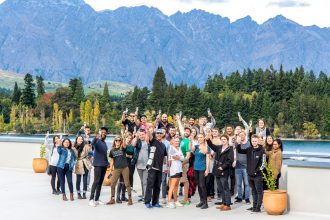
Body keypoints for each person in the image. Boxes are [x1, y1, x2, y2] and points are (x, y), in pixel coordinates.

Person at [236, 134, 266, 213]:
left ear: (258, 141)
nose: (254, 142)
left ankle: (258, 207)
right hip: (249, 174)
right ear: (251, 141)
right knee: (253, 191)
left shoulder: (262, 151)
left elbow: (263, 164)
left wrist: (256, 172)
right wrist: (238, 144)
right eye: (253, 141)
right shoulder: (249, 149)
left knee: (259, 191)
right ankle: (254, 206)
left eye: (255, 141)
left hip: (258, 175)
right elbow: (240, 151)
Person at [207, 132, 234, 211]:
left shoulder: (230, 149)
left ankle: (228, 205)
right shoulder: (219, 147)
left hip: (224, 170)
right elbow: (211, 146)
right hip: (216, 169)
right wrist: (208, 139)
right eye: (222, 139)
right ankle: (223, 203)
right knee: (220, 188)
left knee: (225, 188)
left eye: (224, 139)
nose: (223, 140)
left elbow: (230, 160)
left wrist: (222, 167)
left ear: (227, 140)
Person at [144, 128, 167, 208]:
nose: (159, 135)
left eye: (160, 133)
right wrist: (147, 128)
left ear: (163, 135)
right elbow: (149, 135)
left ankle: (155, 202)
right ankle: (147, 202)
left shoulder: (164, 145)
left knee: (157, 186)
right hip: (152, 166)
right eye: (157, 133)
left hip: (160, 168)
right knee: (150, 185)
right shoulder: (153, 141)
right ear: (155, 134)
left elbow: (164, 157)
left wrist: (165, 167)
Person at [106, 136, 133, 206]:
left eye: (119, 141)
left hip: (125, 168)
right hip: (116, 169)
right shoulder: (112, 150)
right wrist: (110, 171)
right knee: (112, 184)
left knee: (127, 184)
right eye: (116, 140)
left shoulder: (123, 148)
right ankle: (112, 199)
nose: (117, 142)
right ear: (114, 141)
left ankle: (130, 199)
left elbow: (124, 144)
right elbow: (112, 161)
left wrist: (123, 135)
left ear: (121, 141)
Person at [89, 127, 109, 207]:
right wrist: (96, 137)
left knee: (100, 183)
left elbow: (104, 154)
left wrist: (107, 162)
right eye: (102, 132)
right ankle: (91, 199)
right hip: (98, 164)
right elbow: (92, 143)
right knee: (96, 181)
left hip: (104, 164)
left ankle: (97, 199)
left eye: (105, 132)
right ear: (100, 132)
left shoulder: (104, 143)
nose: (103, 133)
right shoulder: (97, 141)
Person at [189, 134, 210, 209]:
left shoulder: (207, 147)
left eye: (201, 137)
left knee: (202, 185)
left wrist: (207, 169)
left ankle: (205, 203)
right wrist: (191, 140)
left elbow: (208, 158)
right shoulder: (196, 146)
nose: (200, 138)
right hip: (196, 168)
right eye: (198, 137)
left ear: (204, 138)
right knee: (199, 185)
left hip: (202, 168)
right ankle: (201, 201)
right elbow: (190, 148)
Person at [176, 114, 192, 206]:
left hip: (184, 164)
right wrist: (179, 120)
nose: (185, 132)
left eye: (187, 131)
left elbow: (188, 156)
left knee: (185, 180)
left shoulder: (188, 142)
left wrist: (182, 164)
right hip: (179, 162)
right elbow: (181, 128)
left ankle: (186, 199)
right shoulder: (182, 139)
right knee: (180, 180)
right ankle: (183, 198)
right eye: (185, 131)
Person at [131, 129, 150, 202]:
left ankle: (146, 197)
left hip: (146, 165)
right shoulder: (138, 142)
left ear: (145, 134)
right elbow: (133, 144)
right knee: (142, 181)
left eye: (143, 134)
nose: (142, 136)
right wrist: (136, 136)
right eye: (140, 135)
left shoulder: (148, 142)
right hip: (138, 164)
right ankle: (143, 195)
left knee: (145, 181)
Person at [116, 132, 135, 203]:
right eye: (128, 138)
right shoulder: (122, 145)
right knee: (121, 181)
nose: (129, 139)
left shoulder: (131, 146)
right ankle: (117, 197)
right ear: (125, 138)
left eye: (130, 138)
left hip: (129, 164)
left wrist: (128, 155)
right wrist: (127, 155)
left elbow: (132, 155)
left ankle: (123, 196)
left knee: (126, 181)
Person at [166, 137, 184, 209]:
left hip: (179, 169)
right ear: (172, 142)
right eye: (175, 141)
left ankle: (175, 201)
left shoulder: (179, 148)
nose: (177, 142)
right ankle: (169, 202)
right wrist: (169, 169)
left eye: (178, 141)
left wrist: (179, 157)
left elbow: (182, 158)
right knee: (172, 186)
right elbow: (171, 158)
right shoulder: (171, 148)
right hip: (174, 169)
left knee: (176, 185)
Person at [234, 130, 251, 204]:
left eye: (243, 135)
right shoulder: (236, 144)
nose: (241, 137)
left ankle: (247, 198)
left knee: (247, 184)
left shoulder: (249, 144)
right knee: (238, 184)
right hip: (238, 166)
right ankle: (239, 198)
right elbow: (234, 152)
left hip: (246, 166)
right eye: (240, 135)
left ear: (245, 135)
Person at [160, 127, 171, 204]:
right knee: (160, 181)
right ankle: (161, 196)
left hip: (166, 164)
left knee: (167, 180)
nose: (162, 133)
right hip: (157, 164)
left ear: (166, 133)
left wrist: (168, 166)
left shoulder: (168, 143)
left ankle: (167, 196)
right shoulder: (157, 141)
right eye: (161, 132)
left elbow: (169, 155)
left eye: (164, 132)